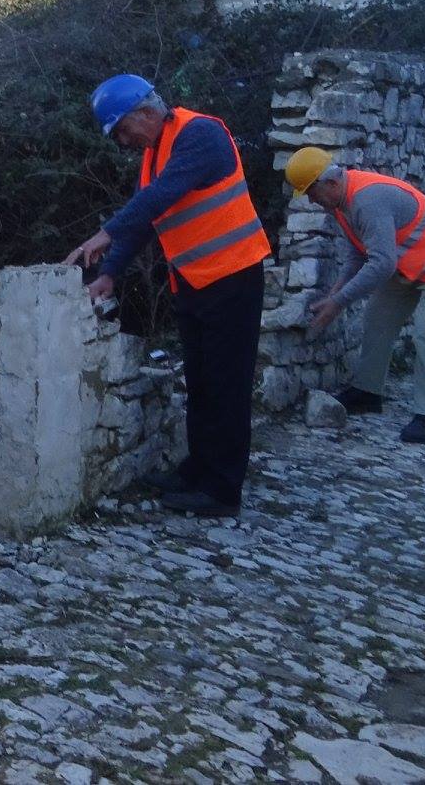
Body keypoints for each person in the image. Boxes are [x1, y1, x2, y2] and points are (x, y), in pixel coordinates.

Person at [66, 75, 270, 517]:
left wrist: (105, 233)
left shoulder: (200, 134)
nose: (123, 141)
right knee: (200, 381)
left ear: (146, 112)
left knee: (226, 385)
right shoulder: (154, 151)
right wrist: (110, 274)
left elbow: (161, 195)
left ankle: (222, 491)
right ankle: (198, 470)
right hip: (197, 281)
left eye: (122, 130)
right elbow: (147, 214)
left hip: (233, 277)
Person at [286, 147, 425, 444]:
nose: (312, 201)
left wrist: (337, 303)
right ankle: (367, 392)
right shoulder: (340, 205)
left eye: (312, 193)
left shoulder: (367, 200)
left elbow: (382, 263)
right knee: (377, 319)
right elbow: (356, 257)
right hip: (409, 262)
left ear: (331, 183)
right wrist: (334, 295)